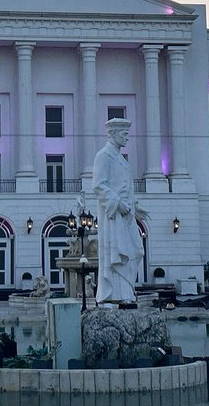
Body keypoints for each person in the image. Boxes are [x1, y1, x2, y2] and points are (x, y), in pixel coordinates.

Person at [93, 118, 149, 305]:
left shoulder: (121, 159)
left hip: (127, 214)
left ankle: (126, 291)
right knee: (118, 253)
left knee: (137, 250)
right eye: (124, 135)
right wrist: (117, 203)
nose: (127, 139)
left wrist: (135, 206)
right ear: (114, 134)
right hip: (114, 216)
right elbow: (99, 185)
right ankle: (117, 294)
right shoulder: (103, 156)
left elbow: (125, 187)